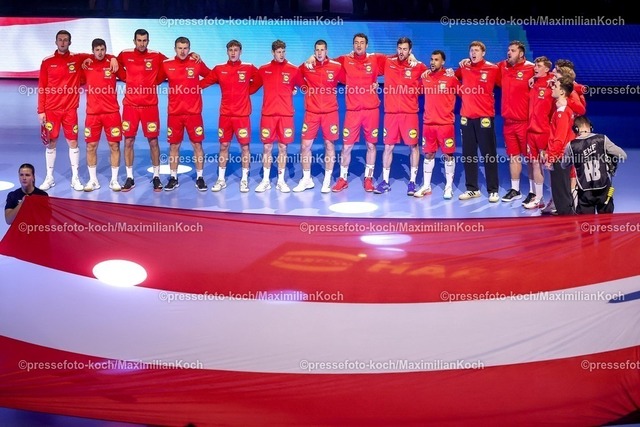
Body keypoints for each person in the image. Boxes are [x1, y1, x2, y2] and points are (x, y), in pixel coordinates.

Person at [201, 39, 262, 193]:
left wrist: (248, 91)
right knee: (223, 146)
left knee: (245, 147)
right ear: (227, 52)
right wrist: (184, 88)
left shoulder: (248, 67)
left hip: (242, 116)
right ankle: (221, 179)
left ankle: (244, 180)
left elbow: (261, 79)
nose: (233, 53)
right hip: (225, 116)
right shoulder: (219, 69)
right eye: (230, 50)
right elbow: (204, 82)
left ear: (240, 51)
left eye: (236, 50)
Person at [331, 33, 388, 193]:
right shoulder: (344, 60)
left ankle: (368, 179)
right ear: (353, 45)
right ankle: (343, 179)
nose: (359, 45)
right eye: (356, 42)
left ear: (366, 45)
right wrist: (311, 58)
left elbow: (397, 58)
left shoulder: (375, 59)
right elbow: (325, 61)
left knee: (371, 145)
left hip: (371, 111)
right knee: (346, 147)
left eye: (362, 43)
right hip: (353, 112)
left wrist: (410, 56)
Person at [37, 30, 93, 192]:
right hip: (51, 110)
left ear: (70, 42)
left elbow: (97, 54)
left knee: (73, 142)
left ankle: (75, 178)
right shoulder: (47, 61)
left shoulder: (77, 58)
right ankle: (49, 177)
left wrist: (112, 59)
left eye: (65, 40)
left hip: (70, 110)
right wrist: (41, 111)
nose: (62, 42)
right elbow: (42, 86)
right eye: (60, 40)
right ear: (56, 42)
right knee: (51, 143)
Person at [373, 37, 427, 195]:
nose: (401, 52)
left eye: (405, 49)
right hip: (391, 114)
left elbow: (432, 76)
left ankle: (412, 182)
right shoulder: (388, 61)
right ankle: (385, 181)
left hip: (409, 114)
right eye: (399, 48)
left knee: (413, 146)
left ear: (410, 50)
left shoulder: (418, 66)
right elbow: (368, 59)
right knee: (388, 147)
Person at [156, 37, 211, 192]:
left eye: (185, 48)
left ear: (189, 49)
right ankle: (173, 178)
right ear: (175, 49)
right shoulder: (167, 64)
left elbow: (211, 75)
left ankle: (200, 178)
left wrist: (199, 86)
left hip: (194, 113)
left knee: (197, 145)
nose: (182, 51)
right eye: (180, 48)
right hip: (174, 113)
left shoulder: (196, 62)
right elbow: (155, 80)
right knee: (174, 146)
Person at [116, 29, 168, 192]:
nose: (142, 43)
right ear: (134, 41)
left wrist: (157, 80)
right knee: (128, 141)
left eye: (144, 40)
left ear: (148, 41)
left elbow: (171, 64)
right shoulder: (125, 54)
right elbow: (114, 63)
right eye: (139, 40)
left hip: (149, 107)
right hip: (130, 106)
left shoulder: (156, 55)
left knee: (153, 141)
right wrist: (125, 77)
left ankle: (156, 177)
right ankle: (129, 177)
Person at [292, 39, 344, 194]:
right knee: (305, 146)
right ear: (314, 52)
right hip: (312, 113)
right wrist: (300, 87)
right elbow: (293, 75)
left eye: (322, 50)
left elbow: (352, 79)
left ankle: (327, 180)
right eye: (317, 50)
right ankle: (306, 179)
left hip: (330, 113)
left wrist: (372, 84)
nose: (320, 52)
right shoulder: (307, 66)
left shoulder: (336, 66)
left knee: (329, 145)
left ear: (326, 51)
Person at [454, 41, 500, 202]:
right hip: (466, 117)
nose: (473, 53)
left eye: (476, 50)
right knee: (469, 155)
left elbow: (506, 82)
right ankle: (472, 189)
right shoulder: (464, 67)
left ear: (483, 53)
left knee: (489, 154)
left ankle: (493, 190)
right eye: (471, 50)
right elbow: (451, 77)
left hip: (484, 118)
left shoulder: (493, 69)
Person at [255, 40, 300, 193]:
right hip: (268, 115)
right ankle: (266, 181)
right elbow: (252, 87)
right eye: (279, 52)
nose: (281, 54)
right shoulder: (263, 69)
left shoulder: (293, 69)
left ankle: (281, 181)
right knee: (267, 147)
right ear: (272, 52)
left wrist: (294, 88)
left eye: (283, 52)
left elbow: (304, 85)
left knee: (283, 147)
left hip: (286, 115)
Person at [414, 49, 460, 200]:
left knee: (448, 155)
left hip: (445, 124)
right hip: (428, 124)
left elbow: (464, 93)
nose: (433, 62)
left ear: (443, 62)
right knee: (428, 154)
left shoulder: (450, 78)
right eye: (431, 59)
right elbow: (415, 90)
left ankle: (448, 187)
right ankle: (426, 186)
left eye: (436, 60)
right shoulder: (426, 77)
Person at [562, 116, 627, 214]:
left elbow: (564, 165)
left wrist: (575, 157)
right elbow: (623, 155)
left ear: (575, 129)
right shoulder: (602, 139)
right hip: (603, 189)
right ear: (590, 127)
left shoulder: (571, 146)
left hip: (584, 191)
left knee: (586, 222)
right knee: (606, 222)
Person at [495, 41, 535, 203]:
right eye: (508, 50)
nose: (509, 53)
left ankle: (533, 191)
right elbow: (484, 68)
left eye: (512, 50)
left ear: (521, 53)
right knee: (513, 156)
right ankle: (515, 190)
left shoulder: (531, 68)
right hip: (508, 122)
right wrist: (466, 61)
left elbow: (549, 77)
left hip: (525, 123)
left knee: (531, 158)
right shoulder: (502, 66)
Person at [82, 38, 123, 192]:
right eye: (97, 50)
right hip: (92, 114)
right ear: (93, 51)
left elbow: (127, 75)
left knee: (114, 145)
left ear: (106, 50)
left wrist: (113, 57)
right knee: (91, 146)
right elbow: (73, 57)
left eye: (102, 49)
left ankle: (114, 180)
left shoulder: (112, 63)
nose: (100, 53)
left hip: (111, 113)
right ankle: (93, 180)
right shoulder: (86, 64)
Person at [523, 56, 554, 209]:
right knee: (535, 164)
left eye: (539, 66)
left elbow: (572, 84)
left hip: (544, 133)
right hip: (531, 132)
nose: (535, 68)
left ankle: (556, 199)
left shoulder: (552, 83)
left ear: (547, 69)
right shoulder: (533, 83)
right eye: (535, 65)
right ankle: (539, 198)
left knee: (550, 166)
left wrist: (554, 78)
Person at [541, 76, 575, 216]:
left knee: (561, 196)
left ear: (562, 91)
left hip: (559, 158)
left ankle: (566, 223)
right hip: (561, 157)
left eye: (555, 86)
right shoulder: (563, 110)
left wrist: (551, 158)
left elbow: (559, 139)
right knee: (562, 193)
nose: (552, 88)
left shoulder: (562, 113)